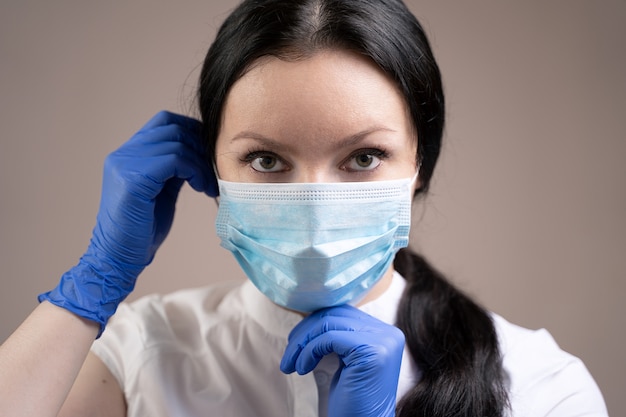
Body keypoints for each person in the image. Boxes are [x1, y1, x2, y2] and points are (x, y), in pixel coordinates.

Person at [0, 0, 609, 416]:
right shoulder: (144, 354)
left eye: (364, 157)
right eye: (266, 159)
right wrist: (93, 283)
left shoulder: (538, 385)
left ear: (419, 163)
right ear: (213, 169)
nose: (317, 212)